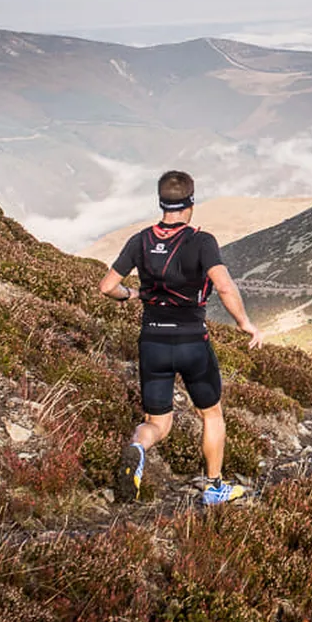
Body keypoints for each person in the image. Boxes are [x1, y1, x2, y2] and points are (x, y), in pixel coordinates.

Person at [98, 170, 263, 506]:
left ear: (161, 202)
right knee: (212, 413)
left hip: (152, 341)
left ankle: (137, 448)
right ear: (191, 202)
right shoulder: (202, 241)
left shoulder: (140, 240)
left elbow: (106, 287)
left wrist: (132, 295)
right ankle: (214, 487)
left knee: (157, 423)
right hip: (192, 343)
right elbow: (224, 286)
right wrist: (246, 323)